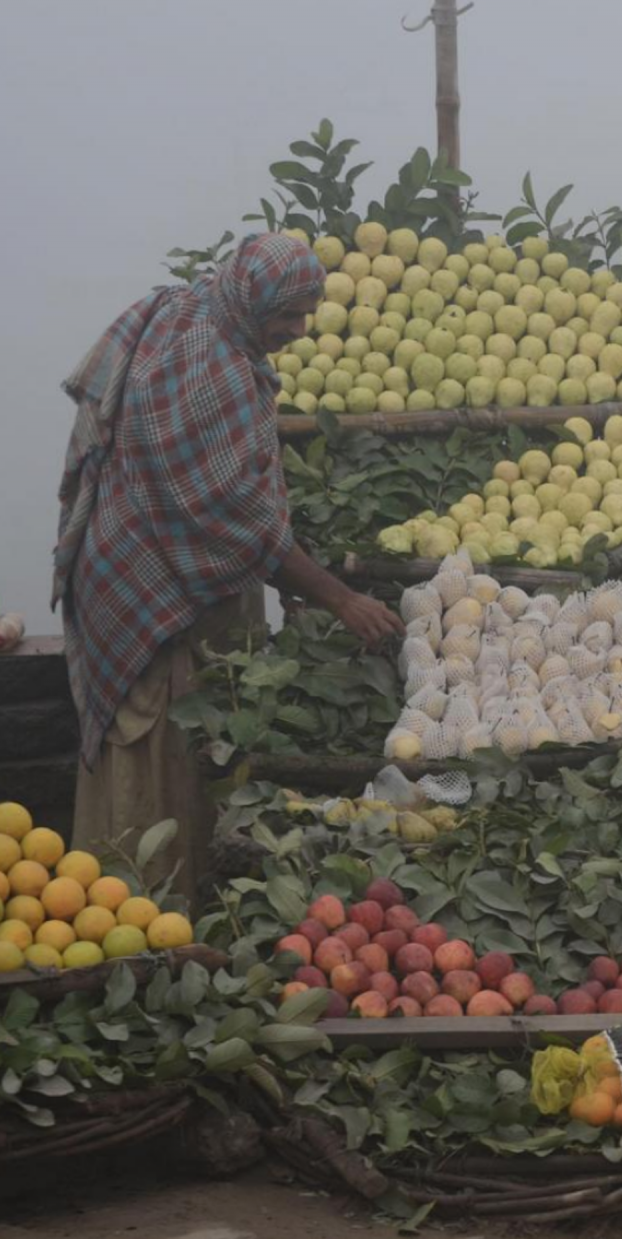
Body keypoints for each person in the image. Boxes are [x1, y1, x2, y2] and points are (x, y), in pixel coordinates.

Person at [53, 234, 402, 887]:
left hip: (132, 553)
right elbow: (234, 518)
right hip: (146, 586)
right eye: (289, 314)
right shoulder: (212, 369)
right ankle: (143, 911)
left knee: (190, 745)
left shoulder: (193, 309)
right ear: (253, 298)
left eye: (308, 312)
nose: (299, 330)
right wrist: (341, 598)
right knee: (157, 752)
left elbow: (235, 502)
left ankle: (161, 901)